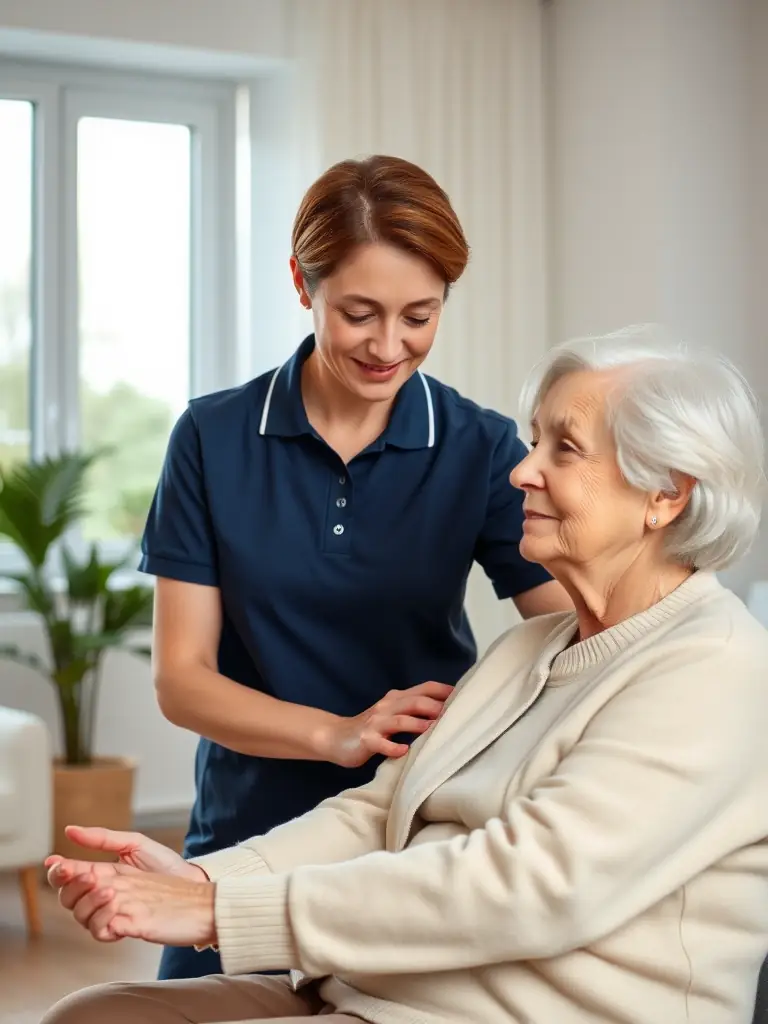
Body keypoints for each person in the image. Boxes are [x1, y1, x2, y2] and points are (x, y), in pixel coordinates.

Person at [44, 325, 768, 1024]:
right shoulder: (528, 650)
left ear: (666, 494)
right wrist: (202, 880)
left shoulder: (714, 668)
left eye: (564, 448)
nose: (522, 469)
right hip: (373, 988)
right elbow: (375, 812)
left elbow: (531, 885)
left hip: (500, 1012)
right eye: (535, 439)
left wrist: (217, 914)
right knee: (95, 1015)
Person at [134, 155, 569, 980]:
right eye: (359, 313)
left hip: (416, 837)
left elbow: (574, 630)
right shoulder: (212, 438)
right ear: (303, 284)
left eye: (420, 315)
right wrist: (337, 735)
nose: (389, 347)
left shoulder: (480, 447)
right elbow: (181, 680)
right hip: (245, 836)